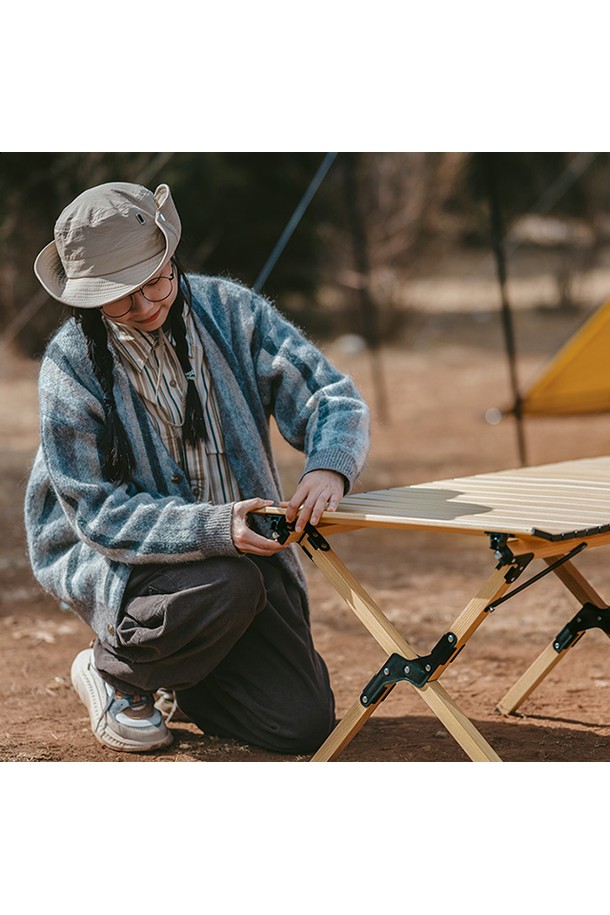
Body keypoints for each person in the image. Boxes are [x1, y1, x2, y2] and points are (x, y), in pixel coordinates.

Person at [24, 180, 370, 755]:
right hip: (126, 564)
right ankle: (117, 672)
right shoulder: (70, 365)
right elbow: (96, 513)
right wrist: (212, 528)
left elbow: (330, 397)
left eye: (156, 280)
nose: (146, 305)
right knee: (228, 582)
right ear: (85, 298)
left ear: (170, 256)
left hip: (249, 567)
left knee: (300, 725)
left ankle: (182, 677)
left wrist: (327, 467)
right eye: (121, 296)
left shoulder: (231, 311)